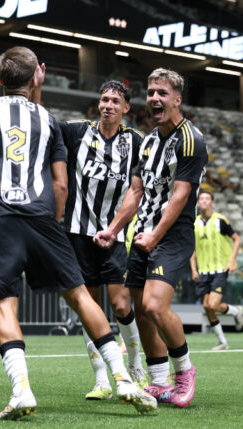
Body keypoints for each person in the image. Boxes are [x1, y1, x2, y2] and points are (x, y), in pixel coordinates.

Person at [0, 46, 156, 420]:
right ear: (38, 75)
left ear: (0, 79)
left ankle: (21, 389)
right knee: (82, 297)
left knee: (4, 303)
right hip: (43, 218)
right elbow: (61, 185)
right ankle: (124, 378)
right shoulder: (49, 121)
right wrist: (56, 220)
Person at [94, 67, 207, 409]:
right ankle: (158, 382)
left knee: (156, 306)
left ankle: (185, 372)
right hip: (143, 233)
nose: (155, 98)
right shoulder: (148, 142)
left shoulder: (191, 139)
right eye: (151, 92)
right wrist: (113, 230)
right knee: (139, 310)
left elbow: (181, 196)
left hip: (171, 236)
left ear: (177, 99)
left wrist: (156, 236)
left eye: (162, 92)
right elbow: (136, 191)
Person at [57, 80, 149, 399]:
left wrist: (113, 227)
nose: (107, 104)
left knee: (121, 303)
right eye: (103, 99)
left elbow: (137, 193)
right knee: (90, 308)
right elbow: (41, 121)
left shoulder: (137, 143)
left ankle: (136, 365)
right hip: (78, 233)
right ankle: (101, 379)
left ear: (126, 108)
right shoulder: (77, 132)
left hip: (116, 235)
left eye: (114, 100)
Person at [189, 191, 243, 350]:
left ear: (212, 202)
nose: (204, 201)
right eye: (201, 199)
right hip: (203, 270)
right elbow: (193, 249)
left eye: (207, 199)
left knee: (213, 304)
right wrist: (193, 269)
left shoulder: (220, 220)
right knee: (207, 307)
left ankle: (236, 312)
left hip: (220, 268)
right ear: (198, 203)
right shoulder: (195, 223)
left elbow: (237, 239)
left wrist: (232, 261)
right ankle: (222, 341)